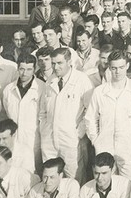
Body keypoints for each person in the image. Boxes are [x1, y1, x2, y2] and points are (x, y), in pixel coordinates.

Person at [85, 51, 131, 180]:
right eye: (114, 68)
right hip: (104, 145)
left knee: (129, 182)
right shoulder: (99, 91)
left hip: (128, 146)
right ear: (109, 68)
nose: (118, 72)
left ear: (127, 66)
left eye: (121, 67)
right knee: (105, 182)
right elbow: (90, 118)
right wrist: (96, 140)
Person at [39, 48, 94, 182]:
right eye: (53, 63)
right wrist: (45, 130)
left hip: (71, 140)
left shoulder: (82, 80)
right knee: (50, 177)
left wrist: (78, 133)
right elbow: (43, 112)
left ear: (69, 62)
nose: (55, 67)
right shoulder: (50, 81)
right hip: (49, 139)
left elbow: (90, 111)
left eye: (59, 63)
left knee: (74, 178)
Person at [2, 54, 45, 172]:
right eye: (22, 69)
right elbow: (7, 111)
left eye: (29, 69)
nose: (24, 73)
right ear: (17, 68)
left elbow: (44, 116)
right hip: (14, 140)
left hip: (34, 139)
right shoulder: (8, 89)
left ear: (34, 69)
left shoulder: (42, 88)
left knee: (34, 171)